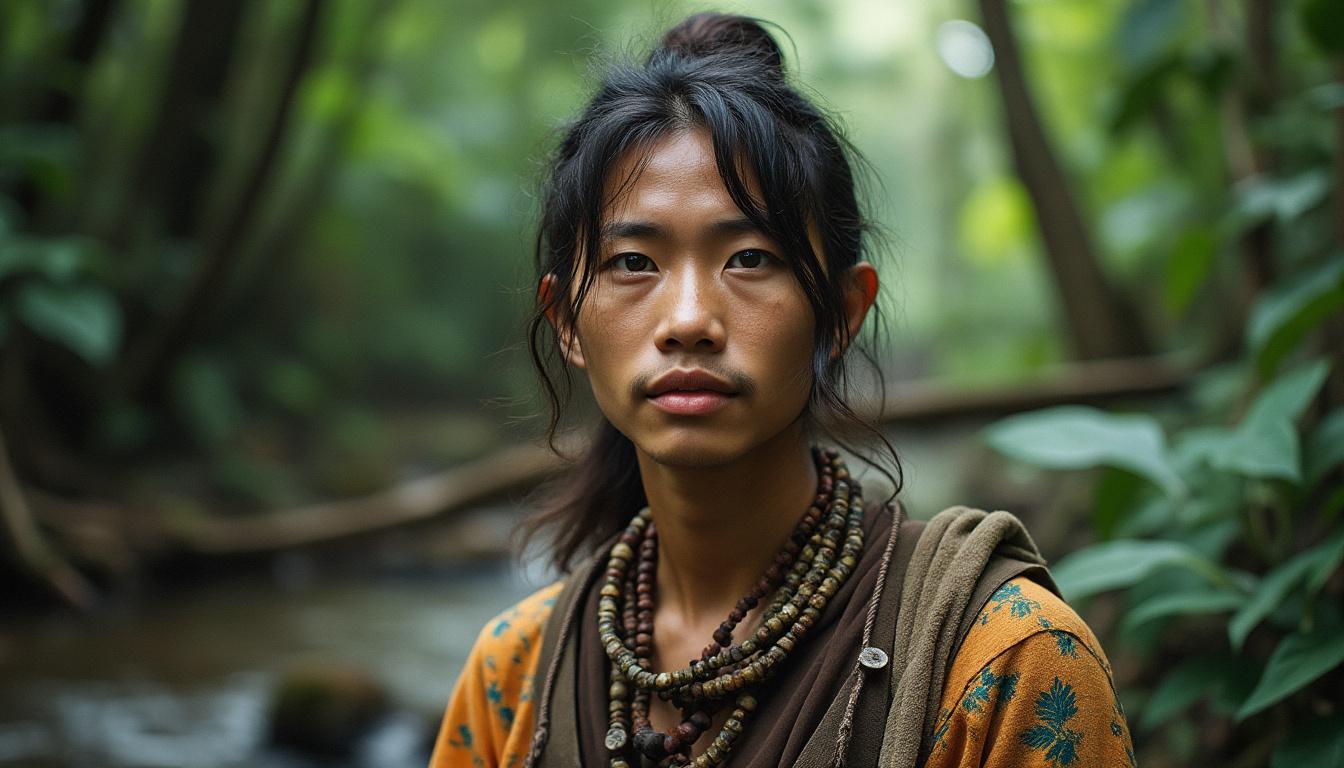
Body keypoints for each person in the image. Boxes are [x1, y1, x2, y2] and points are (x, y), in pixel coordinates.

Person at [430, 12, 1135, 768]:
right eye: (634, 262)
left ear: (840, 314)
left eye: (750, 258)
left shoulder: (1005, 663)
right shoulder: (512, 674)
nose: (690, 320)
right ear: (566, 321)